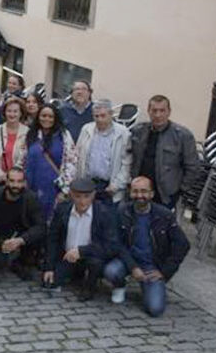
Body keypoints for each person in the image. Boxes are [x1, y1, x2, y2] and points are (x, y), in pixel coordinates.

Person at [103, 177, 189, 316]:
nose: (139, 195)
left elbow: (183, 244)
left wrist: (165, 272)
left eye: (144, 191)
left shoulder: (164, 215)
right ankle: (120, 286)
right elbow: (117, 244)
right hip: (128, 261)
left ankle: (151, 287)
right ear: (130, 193)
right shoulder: (122, 211)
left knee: (155, 309)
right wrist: (133, 267)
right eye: (135, 191)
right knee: (110, 271)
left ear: (151, 194)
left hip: (152, 266)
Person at [43, 178, 119, 301]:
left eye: (86, 197)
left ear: (93, 195)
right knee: (49, 282)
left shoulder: (104, 213)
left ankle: (90, 286)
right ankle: (75, 275)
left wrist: (81, 251)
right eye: (78, 197)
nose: (82, 201)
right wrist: (49, 267)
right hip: (67, 256)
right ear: (71, 195)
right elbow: (53, 239)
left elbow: (111, 245)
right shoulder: (62, 209)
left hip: (91, 257)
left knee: (95, 263)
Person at [130, 95, 199, 208]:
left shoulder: (182, 136)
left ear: (169, 112)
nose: (158, 115)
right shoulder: (138, 131)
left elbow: (193, 167)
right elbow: (129, 156)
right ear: (148, 111)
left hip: (165, 196)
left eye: (162, 110)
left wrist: (180, 191)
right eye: (154, 110)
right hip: (139, 193)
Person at [0, 167, 45, 279]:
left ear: (25, 183)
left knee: (38, 239)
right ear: (6, 181)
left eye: (19, 181)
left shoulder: (31, 198)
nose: (15, 185)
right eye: (12, 181)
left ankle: (21, 260)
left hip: (21, 235)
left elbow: (40, 226)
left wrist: (20, 240)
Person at [24, 103, 77, 220]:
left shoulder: (64, 135)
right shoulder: (31, 135)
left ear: (55, 118)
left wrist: (65, 191)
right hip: (32, 189)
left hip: (54, 190)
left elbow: (71, 163)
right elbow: (23, 160)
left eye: (50, 116)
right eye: (43, 116)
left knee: (51, 224)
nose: (46, 119)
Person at [75, 99, 133, 205]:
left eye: (103, 116)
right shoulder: (86, 129)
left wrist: (116, 185)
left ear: (111, 114)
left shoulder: (123, 133)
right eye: (96, 116)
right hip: (88, 184)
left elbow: (127, 163)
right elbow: (78, 155)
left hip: (109, 187)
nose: (99, 120)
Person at [0, 97, 29, 188]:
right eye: (9, 111)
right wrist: (0, 175)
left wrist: (12, 176)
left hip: (17, 184)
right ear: (4, 112)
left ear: (21, 113)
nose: (12, 114)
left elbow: (25, 157)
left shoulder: (27, 133)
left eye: (15, 111)